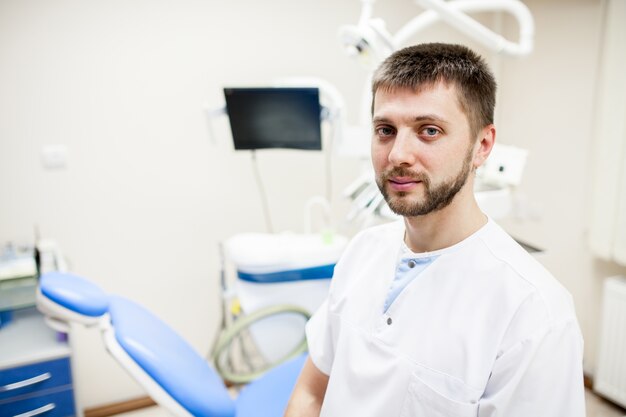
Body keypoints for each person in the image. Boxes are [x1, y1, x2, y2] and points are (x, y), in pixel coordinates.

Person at [283, 43, 585, 417]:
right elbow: (311, 394)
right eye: (385, 130)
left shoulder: (534, 315)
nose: (397, 155)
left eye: (429, 130)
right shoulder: (363, 251)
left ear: (483, 145)